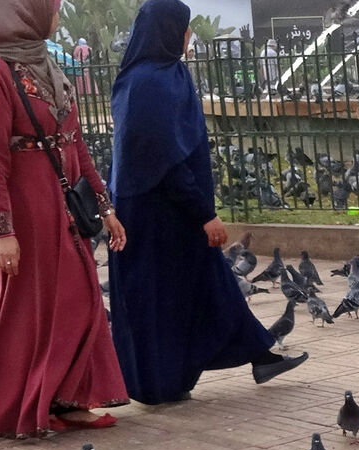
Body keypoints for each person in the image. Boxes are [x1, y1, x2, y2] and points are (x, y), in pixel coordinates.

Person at [108, 0, 307, 405]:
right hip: (153, 213)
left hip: (177, 211)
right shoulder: (146, 83)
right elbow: (162, 160)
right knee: (161, 298)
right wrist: (205, 214)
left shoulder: (170, 74)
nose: (188, 37)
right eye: (183, 29)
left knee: (207, 286)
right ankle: (158, 383)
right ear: (166, 31)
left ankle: (257, 354)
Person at [0, 0, 128, 436]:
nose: (57, 16)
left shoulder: (48, 65)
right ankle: (19, 402)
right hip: (27, 212)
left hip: (63, 205)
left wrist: (105, 207)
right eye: (51, 7)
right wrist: (4, 231)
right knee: (31, 310)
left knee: (82, 300)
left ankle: (66, 397)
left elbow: (75, 142)